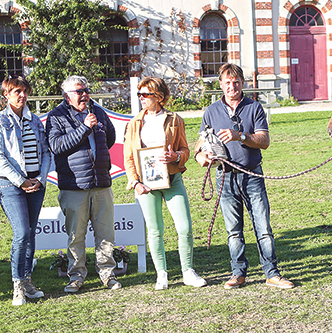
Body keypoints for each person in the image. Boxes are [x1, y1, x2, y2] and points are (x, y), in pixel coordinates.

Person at [194, 63, 294, 290]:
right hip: (225, 178)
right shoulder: (211, 112)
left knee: (263, 227)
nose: (232, 86)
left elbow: (264, 141)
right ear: (220, 85)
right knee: (233, 231)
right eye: (227, 83)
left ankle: (272, 273)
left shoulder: (254, 108)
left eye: (236, 82)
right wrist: (202, 158)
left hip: (252, 176)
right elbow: (199, 147)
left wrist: (240, 136)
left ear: (243, 83)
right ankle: (238, 273)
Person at [124, 77, 207, 290]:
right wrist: (135, 183)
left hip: (172, 179)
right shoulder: (134, 123)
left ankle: (188, 271)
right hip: (146, 184)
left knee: (185, 227)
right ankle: (161, 274)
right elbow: (128, 157)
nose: (141, 98)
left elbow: (186, 150)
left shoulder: (174, 119)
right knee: (155, 230)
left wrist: (176, 157)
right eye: (139, 95)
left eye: (145, 95)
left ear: (159, 97)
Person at [45, 75, 120, 293]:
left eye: (86, 90)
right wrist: (84, 128)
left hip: (101, 183)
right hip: (74, 186)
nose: (85, 94)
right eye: (80, 91)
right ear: (67, 96)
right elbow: (57, 146)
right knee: (76, 235)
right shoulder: (56, 116)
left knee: (105, 233)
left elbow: (110, 137)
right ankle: (76, 276)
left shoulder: (97, 111)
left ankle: (108, 274)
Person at [0, 75, 51, 305]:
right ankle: (17, 283)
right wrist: (21, 180)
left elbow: (45, 152)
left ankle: (27, 281)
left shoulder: (35, 120)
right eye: (17, 91)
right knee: (22, 233)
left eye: (25, 91)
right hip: (10, 184)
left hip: (36, 184)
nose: (22, 95)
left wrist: (40, 179)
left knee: (31, 232)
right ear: (6, 95)